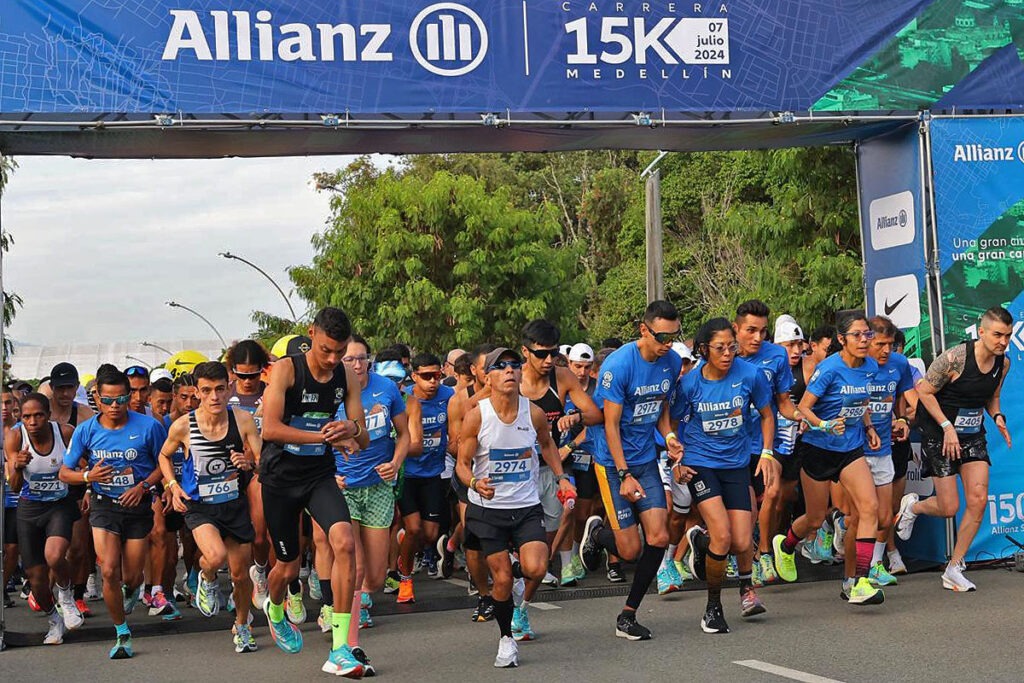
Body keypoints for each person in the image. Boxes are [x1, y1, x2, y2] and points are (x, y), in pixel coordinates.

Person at [258, 307, 369, 677]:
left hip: (319, 476)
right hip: (279, 479)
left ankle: (340, 648)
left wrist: (348, 431)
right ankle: (274, 609)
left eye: (340, 352)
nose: (333, 359)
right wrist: (322, 437)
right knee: (287, 567)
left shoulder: (346, 377)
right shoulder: (288, 370)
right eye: (326, 350)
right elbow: (270, 430)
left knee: (345, 542)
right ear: (312, 334)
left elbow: (363, 435)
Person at [456, 347, 576, 668]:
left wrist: (562, 479)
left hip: (525, 506)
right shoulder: (477, 415)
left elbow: (548, 444)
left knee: (537, 568)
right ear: (488, 377)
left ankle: (519, 569)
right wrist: (473, 483)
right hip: (488, 510)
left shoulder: (533, 413)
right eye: (501, 366)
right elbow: (462, 464)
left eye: (514, 366)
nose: (510, 371)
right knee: (503, 579)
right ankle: (506, 639)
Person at [579, 300, 683, 640]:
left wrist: (668, 436)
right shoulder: (619, 364)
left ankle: (628, 613)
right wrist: (623, 474)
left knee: (659, 536)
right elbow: (610, 425)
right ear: (644, 330)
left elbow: (663, 407)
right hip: (613, 463)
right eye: (662, 337)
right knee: (629, 550)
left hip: (646, 459)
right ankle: (597, 535)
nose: (668, 344)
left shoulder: (670, 362)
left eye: (673, 337)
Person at [668, 318, 776, 633]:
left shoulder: (750, 375)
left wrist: (767, 453)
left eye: (732, 346)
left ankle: (702, 545)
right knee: (724, 536)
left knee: (742, 541)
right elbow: (672, 425)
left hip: (736, 465)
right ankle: (712, 608)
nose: (728, 353)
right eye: (720, 348)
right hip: (701, 464)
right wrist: (676, 460)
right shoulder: (689, 384)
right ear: (703, 350)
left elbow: (768, 414)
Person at [896, 306, 1013, 592]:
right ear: (981, 331)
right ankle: (913, 506)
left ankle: (955, 567)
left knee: (979, 498)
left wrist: (997, 417)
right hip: (940, 433)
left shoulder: (1003, 363)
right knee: (949, 507)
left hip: (972, 435)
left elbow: (992, 397)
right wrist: (947, 427)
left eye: (1008, 336)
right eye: (998, 335)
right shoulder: (955, 358)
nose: (1002, 341)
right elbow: (924, 391)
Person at [771, 311, 885, 605]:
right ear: (842, 339)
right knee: (815, 518)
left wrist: (869, 427)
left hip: (850, 448)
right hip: (818, 448)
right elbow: (805, 407)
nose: (864, 340)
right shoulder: (830, 369)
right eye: (857, 335)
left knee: (868, 508)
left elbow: (862, 400)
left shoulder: (870, 366)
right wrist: (824, 425)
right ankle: (786, 545)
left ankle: (859, 580)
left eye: (867, 335)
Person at [59, 364, 167, 659]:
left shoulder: (149, 427)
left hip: (138, 506)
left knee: (131, 577)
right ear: (97, 397)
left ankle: (132, 591)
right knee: (108, 570)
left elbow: (164, 465)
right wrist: (87, 478)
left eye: (121, 398)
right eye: (108, 400)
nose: (115, 406)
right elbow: (64, 473)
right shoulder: (87, 430)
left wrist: (143, 487)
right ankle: (121, 632)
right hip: (104, 506)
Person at [160, 361, 262, 653]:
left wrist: (249, 463)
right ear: (197, 392)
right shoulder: (184, 425)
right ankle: (205, 577)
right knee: (215, 556)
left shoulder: (242, 420)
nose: (214, 396)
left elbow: (262, 461)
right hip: (200, 506)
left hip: (233, 504)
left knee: (241, 575)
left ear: (229, 387)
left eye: (220, 389)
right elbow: (164, 457)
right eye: (206, 391)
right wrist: (172, 485)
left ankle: (242, 626)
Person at [515, 320, 601, 640]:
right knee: (509, 551)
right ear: (526, 352)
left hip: (549, 468)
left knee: (543, 550)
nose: (548, 360)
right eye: (541, 354)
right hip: (513, 474)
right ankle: (500, 592)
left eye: (553, 353)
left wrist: (575, 416)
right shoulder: (510, 379)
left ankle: (521, 605)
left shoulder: (561, 377)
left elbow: (595, 414)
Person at [327, 334, 408, 670]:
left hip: (378, 487)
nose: (358, 364)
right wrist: (329, 473)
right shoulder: (330, 392)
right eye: (350, 359)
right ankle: (347, 644)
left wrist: (396, 462)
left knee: (374, 578)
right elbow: (315, 436)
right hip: (344, 487)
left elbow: (404, 434)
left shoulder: (386, 389)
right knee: (353, 563)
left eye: (363, 358)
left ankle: (347, 614)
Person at [5, 393, 82, 644]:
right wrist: (17, 465)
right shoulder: (15, 437)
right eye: (26, 416)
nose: (33, 421)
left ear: (48, 415)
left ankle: (67, 597)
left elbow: (83, 464)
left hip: (60, 504)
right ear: (20, 418)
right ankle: (54, 619)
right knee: (36, 580)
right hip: (29, 508)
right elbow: (15, 488)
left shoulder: (66, 433)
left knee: (55, 555)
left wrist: (86, 491)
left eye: (38, 415)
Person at [732, 301, 799, 586]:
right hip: (731, 446)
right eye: (750, 330)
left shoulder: (777, 356)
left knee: (772, 494)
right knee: (744, 511)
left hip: (764, 442)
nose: (757, 337)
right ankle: (742, 556)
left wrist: (803, 417)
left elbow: (783, 403)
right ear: (736, 329)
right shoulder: (723, 355)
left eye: (762, 331)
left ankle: (765, 552)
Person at [445, 343, 497, 622]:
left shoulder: (516, 394)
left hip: (505, 476)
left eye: (499, 366)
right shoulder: (459, 399)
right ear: (474, 370)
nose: (495, 372)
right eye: (488, 367)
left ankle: (504, 586)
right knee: (473, 532)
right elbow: (454, 447)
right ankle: (483, 594)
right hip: (470, 474)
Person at [399, 352, 455, 602]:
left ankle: (408, 550)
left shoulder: (448, 396)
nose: (433, 381)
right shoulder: (405, 399)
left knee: (430, 534)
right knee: (413, 528)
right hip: (408, 474)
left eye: (437, 376)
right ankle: (405, 578)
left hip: (434, 472)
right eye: (426, 376)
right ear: (414, 376)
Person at [225, 340, 275, 610]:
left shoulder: (271, 393)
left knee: (260, 536)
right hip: (228, 472)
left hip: (261, 468)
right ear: (233, 371)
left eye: (253, 375)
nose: (247, 381)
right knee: (235, 539)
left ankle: (262, 572)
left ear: (262, 371)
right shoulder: (224, 394)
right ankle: (239, 587)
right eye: (241, 375)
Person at [46, 362, 96, 614]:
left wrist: (88, 488)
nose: (65, 394)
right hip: (45, 490)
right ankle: (50, 591)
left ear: (77, 387)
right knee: (52, 551)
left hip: (75, 487)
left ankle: (76, 595)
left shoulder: (85, 416)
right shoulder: (42, 413)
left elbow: (96, 456)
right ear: (52, 388)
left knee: (78, 548)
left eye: (70, 388)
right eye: (60, 389)